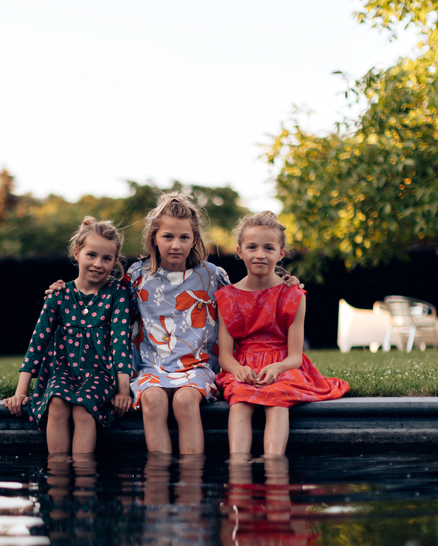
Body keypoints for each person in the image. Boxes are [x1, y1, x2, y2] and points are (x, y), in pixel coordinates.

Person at [49, 193, 300, 455]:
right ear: (154, 238)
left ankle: (191, 482)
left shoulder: (213, 276)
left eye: (184, 237)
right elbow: (101, 294)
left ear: (194, 240)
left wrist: (286, 284)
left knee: (185, 400)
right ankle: (160, 481)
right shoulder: (137, 275)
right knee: (153, 401)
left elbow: (248, 297)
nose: (176, 245)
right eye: (168, 237)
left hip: (198, 366)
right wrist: (64, 289)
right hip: (151, 366)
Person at [215, 211, 348, 455]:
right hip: (243, 365)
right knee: (240, 398)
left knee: (277, 396)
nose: (260, 254)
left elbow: (296, 356)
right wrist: (238, 370)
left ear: (281, 253)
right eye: (252, 247)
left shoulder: (292, 295)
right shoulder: (228, 298)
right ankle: (238, 465)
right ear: (239, 251)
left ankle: (273, 464)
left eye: (268, 248)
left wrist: (277, 368)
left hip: (284, 366)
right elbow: (225, 355)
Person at [3, 217, 133, 454]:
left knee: (83, 409)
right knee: (57, 404)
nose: (98, 264)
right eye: (91, 255)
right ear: (77, 252)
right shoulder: (59, 295)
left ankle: (83, 480)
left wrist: (123, 391)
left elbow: (120, 343)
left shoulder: (117, 294)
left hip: (100, 372)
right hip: (63, 369)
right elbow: (37, 343)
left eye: (107, 258)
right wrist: (20, 392)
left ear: (115, 261)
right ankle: (58, 477)